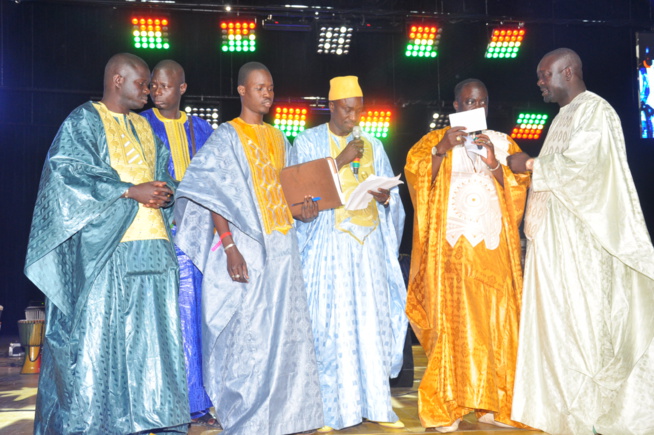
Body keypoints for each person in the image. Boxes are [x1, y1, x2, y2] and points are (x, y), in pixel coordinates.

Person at [24, 53, 189, 434]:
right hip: (107, 251)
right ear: (117, 79)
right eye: (142, 83)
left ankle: (154, 420)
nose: (148, 91)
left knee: (153, 344)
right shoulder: (84, 120)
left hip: (154, 250)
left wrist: (167, 192)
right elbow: (66, 176)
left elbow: (160, 174)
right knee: (102, 342)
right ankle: (99, 423)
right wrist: (129, 190)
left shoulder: (146, 128)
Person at [508, 48, 654, 435]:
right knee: (555, 325)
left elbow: (586, 168)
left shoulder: (596, 111)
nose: (540, 82)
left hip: (579, 246)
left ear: (567, 71)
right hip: (551, 241)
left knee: (581, 325)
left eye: (545, 75)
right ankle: (561, 411)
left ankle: (589, 413)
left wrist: (530, 163)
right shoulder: (563, 117)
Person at [173, 61, 324, 434]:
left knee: (284, 335)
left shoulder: (280, 139)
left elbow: (287, 199)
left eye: (271, 88)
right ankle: (246, 415)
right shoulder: (226, 137)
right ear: (242, 91)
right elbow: (212, 197)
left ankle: (287, 416)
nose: (268, 94)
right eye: (260, 88)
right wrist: (229, 247)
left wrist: (304, 211)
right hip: (245, 247)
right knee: (249, 334)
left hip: (283, 249)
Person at [404, 79, 531, 432]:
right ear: (456, 106)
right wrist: (441, 150)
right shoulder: (433, 142)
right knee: (453, 326)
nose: (475, 106)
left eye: (481, 101)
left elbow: (518, 193)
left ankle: (497, 404)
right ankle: (450, 405)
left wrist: (494, 164)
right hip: (451, 253)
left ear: (488, 105)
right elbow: (416, 182)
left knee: (499, 322)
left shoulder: (503, 142)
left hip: (493, 251)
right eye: (467, 101)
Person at [288, 75, 407, 432]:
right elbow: (296, 192)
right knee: (331, 325)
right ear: (331, 106)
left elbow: (392, 192)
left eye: (359, 110)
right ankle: (330, 410)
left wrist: (386, 198)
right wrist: (339, 161)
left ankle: (375, 404)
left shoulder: (373, 143)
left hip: (367, 247)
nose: (354, 117)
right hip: (329, 246)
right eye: (348, 110)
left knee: (370, 321)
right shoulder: (307, 141)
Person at [140, 59, 218, 428]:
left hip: (202, 240)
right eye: (153, 85)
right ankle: (163, 404)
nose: (156, 91)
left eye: (164, 86)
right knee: (167, 321)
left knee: (200, 320)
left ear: (182, 89)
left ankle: (199, 404)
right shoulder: (141, 127)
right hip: (158, 238)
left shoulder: (203, 130)